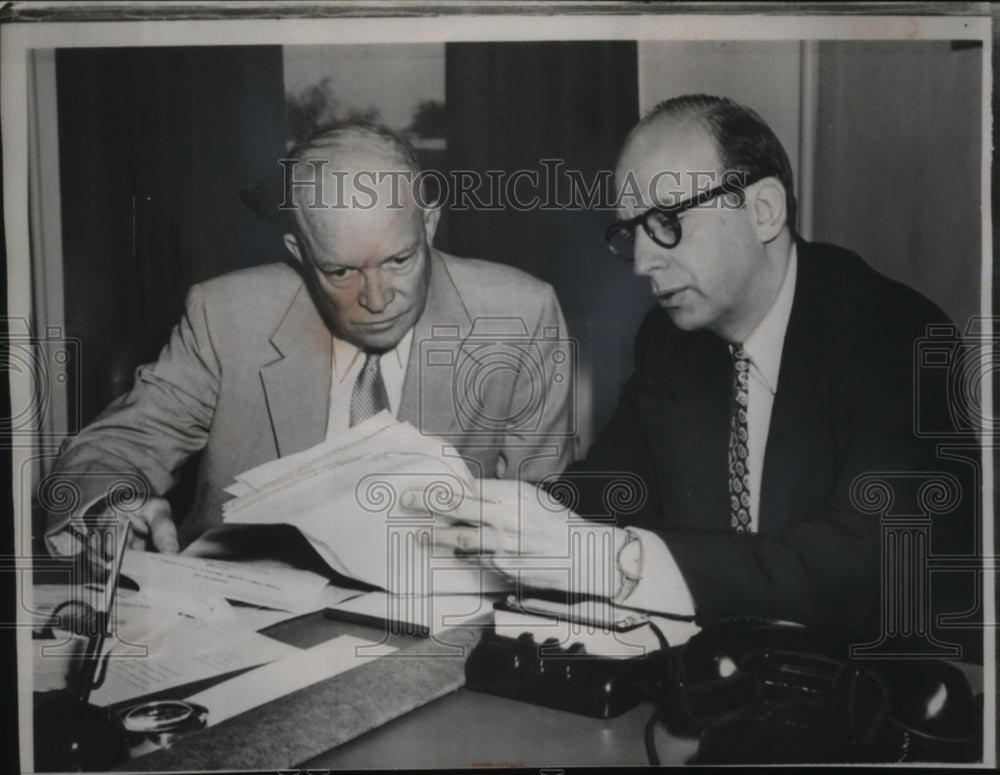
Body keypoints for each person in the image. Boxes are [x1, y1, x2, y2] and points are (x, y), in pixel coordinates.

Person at [430, 95, 977, 642]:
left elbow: (860, 564)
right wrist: (484, 522)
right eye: (632, 232)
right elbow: (614, 489)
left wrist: (617, 562)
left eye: (667, 220)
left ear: (763, 210)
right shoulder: (670, 339)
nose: (644, 262)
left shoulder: (899, 336)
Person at [44, 121, 574, 557]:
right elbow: (112, 448)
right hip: (236, 618)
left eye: (398, 260)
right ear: (299, 253)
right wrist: (107, 511)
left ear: (429, 225)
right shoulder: (226, 316)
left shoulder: (520, 316)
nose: (376, 297)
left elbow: (541, 508)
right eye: (341, 271)